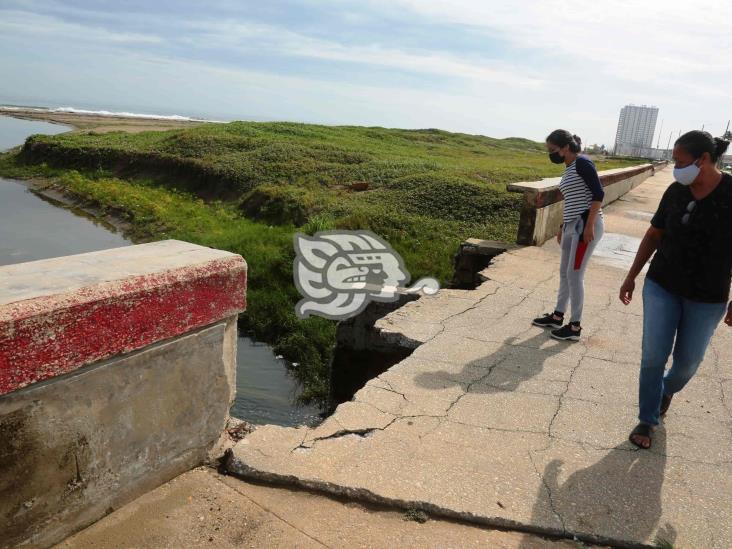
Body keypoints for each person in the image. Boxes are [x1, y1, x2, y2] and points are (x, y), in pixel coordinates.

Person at [619, 130, 732, 449]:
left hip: (709, 297)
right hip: (662, 285)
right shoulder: (675, 192)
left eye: (681, 162)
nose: (676, 168)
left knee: (687, 363)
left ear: (704, 160)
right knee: (654, 355)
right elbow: (654, 235)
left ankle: (665, 390)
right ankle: (647, 418)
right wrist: (631, 276)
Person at [532, 130, 605, 341]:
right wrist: (563, 225)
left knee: (575, 274)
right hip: (573, 225)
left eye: (552, 149)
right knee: (565, 272)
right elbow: (574, 198)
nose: (550, 154)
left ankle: (575, 327)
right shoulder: (570, 167)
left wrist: (589, 226)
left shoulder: (582, 163)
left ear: (565, 147)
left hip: (586, 225)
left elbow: (598, 194)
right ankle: (557, 316)